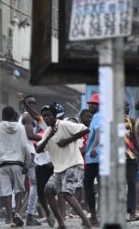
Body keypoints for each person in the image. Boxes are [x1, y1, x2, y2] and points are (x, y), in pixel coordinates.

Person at [36, 104, 92, 229]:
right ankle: (61, 223)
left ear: (54, 115)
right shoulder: (47, 131)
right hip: (59, 168)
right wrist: (49, 136)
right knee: (48, 191)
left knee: (66, 194)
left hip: (73, 164)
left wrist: (68, 140)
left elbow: (85, 129)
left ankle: (87, 224)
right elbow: (39, 149)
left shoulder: (65, 124)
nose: (46, 118)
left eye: (49, 115)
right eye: (44, 116)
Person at [0, 106, 31, 227]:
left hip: (2, 165)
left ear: (2, 116)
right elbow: (24, 146)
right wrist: (27, 163)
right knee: (19, 190)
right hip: (17, 164)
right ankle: (17, 212)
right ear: (14, 116)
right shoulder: (21, 128)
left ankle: (11, 219)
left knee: (6, 192)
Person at [18, 95, 45, 226]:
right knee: (35, 184)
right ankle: (29, 215)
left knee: (19, 185)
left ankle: (16, 214)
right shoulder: (28, 116)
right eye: (30, 103)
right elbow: (30, 135)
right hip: (29, 153)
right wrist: (46, 137)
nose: (33, 105)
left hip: (20, 153)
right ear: (25, 105)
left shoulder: (24, 117)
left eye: (35, 103)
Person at [83, 93, 101, 226]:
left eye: (93, 103)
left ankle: (94, 215)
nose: (90, 105)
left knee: (88, 185)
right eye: (90, 103)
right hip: (97, 157)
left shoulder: (98, 116)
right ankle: (95, 215)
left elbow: (99, 131)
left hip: (95, 157)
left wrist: (94, 147)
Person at [124, 102, 139, 221]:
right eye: (125, 107)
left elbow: (134, 137)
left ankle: (132, 212)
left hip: (130, 157)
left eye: (128, 107)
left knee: (132, 184)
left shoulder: (130, 120)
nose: (127, 109)